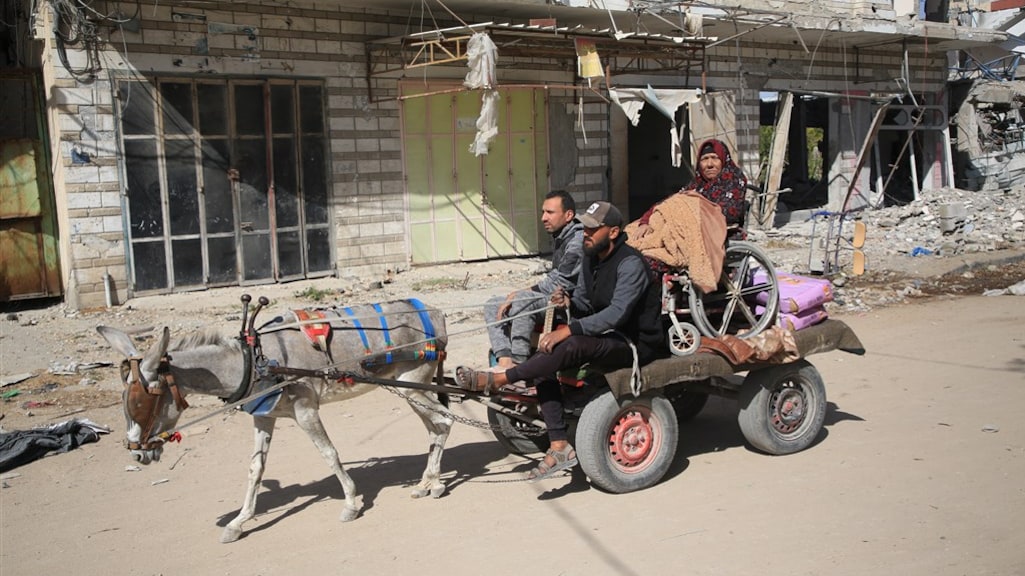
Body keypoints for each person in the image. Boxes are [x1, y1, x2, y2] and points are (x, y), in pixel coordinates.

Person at [457, 201, 666, 482]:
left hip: (632, 342)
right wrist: (566, 302)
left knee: (568, 344)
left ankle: (502, 379)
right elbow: (582, 301)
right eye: (585, 227)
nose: (586, 233)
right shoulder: (592, 257)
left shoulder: (630, 264)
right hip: (602, 334)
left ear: (613, 232)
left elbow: (616, 314)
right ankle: (559, 445)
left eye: (593, 228)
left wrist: (569, 330)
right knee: (548, 347)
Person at [484, 190, 584, 369]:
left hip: (568, 304)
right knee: (493, 304)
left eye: (550, 213)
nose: (543, 218)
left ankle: (519, 365)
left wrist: (523, 292)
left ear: (568, 215)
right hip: (552, 297)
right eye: (543, 212)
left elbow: (561, 282)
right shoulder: (562, 236)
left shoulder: (577, 242)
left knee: (524, 300)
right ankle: (504, 361)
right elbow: (554, 276)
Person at [636, 138, 748, 237]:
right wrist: (646, 220)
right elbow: (671, 202)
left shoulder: (733, 179)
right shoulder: (697, 184)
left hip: (718, 234)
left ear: (724, 160)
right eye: (705, 159)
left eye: (715, 158)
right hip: (688, 230)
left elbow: (728, 213)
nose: (710, 164)